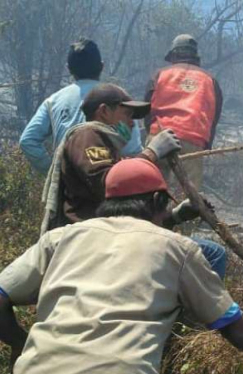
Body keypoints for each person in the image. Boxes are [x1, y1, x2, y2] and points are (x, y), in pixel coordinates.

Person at [0, 158, 243, 374]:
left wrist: (22, 344)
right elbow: (236, 329)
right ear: (157, 200)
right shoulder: (178, 249)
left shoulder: (60, 238)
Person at [40, 82, 227, 279]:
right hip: (96, 238)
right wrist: (151, 153)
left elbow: (126, 209)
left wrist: (175, 216)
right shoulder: (88, 135)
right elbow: (109, 185)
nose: (132, 123)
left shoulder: (108, 146)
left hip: (113, 235)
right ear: (103, 111)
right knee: (212, 254)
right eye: (127, 115)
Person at [19, 39, 143, 174]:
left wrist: (54, 172)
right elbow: (133, 152)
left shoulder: (53, 101)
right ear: (102, 66)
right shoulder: (118, 99)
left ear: (69, 69)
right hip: (108, 184)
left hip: (67, 189)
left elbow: (27, 140)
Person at [145, 34, 223, 196]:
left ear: (173, 55)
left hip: (159, 137)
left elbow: (147, 109)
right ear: (195, 56)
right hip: (193, 140)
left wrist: (151, 135)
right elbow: (213, 117)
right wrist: (205, 145)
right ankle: (182, 221)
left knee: (151, 189)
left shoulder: (160, 74)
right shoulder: (210, 80)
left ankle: (151, 220)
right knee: (187, 196)